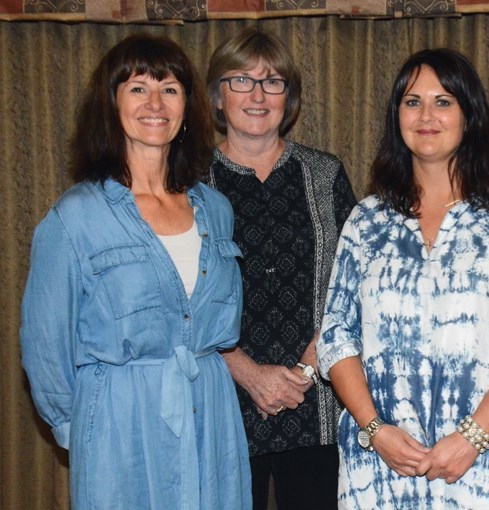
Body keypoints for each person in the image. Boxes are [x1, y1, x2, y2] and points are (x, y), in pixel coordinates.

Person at [317, 48, 489, 509]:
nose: (426, 115)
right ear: (397, 117)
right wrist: (375, 430)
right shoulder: (367, 220)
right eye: (412, 102)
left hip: (483, 461)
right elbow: (336, 338)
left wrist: (472, 437)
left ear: (470, 115)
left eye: (443, 101)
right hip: (379, 464)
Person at [19, 35, 251, 509]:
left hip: (211, 415)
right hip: (118, 424)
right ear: (111, 105)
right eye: (137, 88)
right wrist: (84, 431)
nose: (155, 103)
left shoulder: (216, 209)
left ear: (188, 107)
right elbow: (45, 347)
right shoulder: (75, 217)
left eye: (170, 89)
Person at [205, 28, 356, 510]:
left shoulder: (325, 173)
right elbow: (177, 300)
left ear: (288, 97)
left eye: (272, 82)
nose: (256, 95)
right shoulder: (187, 184)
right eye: (240, 81)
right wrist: (248, 373)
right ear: (216, 95)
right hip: (220, 397)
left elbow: (355, 285)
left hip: (317, 400)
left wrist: (305, 371)